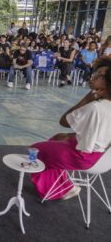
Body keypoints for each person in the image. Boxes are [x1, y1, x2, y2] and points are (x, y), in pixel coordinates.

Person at [31, 57, 111, 200]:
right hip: (102, 157)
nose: (94, 77)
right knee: (55, 139)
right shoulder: (104, 105)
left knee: (37, 150)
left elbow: (64, 121)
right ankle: (62, 184)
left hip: (83, 157)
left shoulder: (95, 107)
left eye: (100, 75)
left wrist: (87, 99)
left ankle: (65, 188)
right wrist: (71, 136)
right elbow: (99, 133)